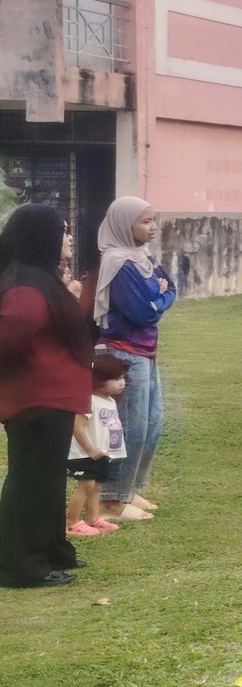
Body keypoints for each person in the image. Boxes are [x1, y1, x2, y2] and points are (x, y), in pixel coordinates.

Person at [0, 204, 96, 585]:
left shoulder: (40, 278)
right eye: (62, 231)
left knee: (48, 479)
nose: (68, 238)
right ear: (42, 237)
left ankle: (52, 549)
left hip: (49, 396)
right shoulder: (27, 285)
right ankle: (21, 565)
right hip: (36, 398)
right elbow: (12, 334)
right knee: (32, 481)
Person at [95, 197, 176, 524]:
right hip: (124, 352)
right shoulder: (118, 263)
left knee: (152, 423)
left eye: (153, 219)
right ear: (124, 225)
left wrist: (159, 298)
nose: (153, 227)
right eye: (145, 221)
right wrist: (158, 299)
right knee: (130, 427)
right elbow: (142, 313)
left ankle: (130, 489)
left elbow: (172, 288)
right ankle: (111, 499)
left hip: (146, 350)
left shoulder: (142, 257)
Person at [67, 352, 128, 538]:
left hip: (101, 452)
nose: (122, 383)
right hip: (84, 453)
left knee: (96, 487)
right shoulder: (89, 401)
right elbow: (77, 427)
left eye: (123, 378)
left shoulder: (109, 401)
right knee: (85, 486)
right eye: (116, 379)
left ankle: (93, 519)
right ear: (98, 380)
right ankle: (71, 522)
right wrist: (89, 448)